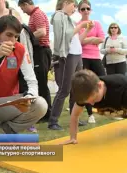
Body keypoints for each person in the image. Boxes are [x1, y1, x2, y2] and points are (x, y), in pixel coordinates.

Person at [48, 0, 93, 130]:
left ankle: (75, 119)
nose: (75, 9)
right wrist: (81, 26)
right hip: (67, 55)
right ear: (67, 2)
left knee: (76, 89)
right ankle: (53, 121)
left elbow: (77, 39)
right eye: (74, 6)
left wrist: (86, 29)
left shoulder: (70, 20)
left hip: (77, 55)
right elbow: (63, 37)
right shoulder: (58, 15)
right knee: (65, 89)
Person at [18, 0, 53, 130]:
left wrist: (26, 37)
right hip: (39, 51)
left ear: (27, 3)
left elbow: (42, 31)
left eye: (22, 8)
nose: (22, 11)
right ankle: (44, 113)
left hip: (41, 51)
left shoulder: (37, 14)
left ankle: (46, 114)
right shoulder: (34, 15)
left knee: (41, 83)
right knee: (40, 82)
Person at [77, 0, 106, 124]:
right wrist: (93, 39)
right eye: (83, 9)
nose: (85, 11)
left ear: (91, 10)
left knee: (104, 81)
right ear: (79, 11)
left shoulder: (97, 23)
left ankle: (107, 107)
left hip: (96, 57)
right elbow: (79, 41)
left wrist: (88, 39)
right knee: (86, 84)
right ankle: (90, 114)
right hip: (83, 57)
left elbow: (102, 38)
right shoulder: (78, 25)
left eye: (87, 8)